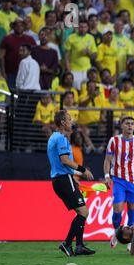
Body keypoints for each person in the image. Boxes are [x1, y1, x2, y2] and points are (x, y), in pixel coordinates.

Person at [48, 110, 95, 257]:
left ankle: (79, 245)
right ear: (62, 122)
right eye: (69, 119)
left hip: (60, 179)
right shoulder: (61, 138)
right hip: (63, 179)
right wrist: (83, 170)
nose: (72, 121)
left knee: (81, 212)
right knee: (84, 212)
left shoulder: (54, 137)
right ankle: (68, 243)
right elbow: (65, 161)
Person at [104, 115, 134, 249]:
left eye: (132, 124)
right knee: (117, 209)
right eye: (127, 123)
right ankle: (117, 233)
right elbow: (107, 160)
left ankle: (130, 241)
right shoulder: (114, 141)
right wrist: (107, 176)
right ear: (122, 126)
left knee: (132, 211)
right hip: (118, 180)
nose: (130, 126)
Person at [64, 19, 97, 90]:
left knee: (87, 90)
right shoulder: (71, 37)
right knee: (76, 90)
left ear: (87, 28)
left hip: (87, 70)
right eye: (81, 27)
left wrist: (89, 53)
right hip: (74, 70)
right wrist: (69, 70)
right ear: (78, 27)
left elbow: (94, 56)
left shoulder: (91, 38)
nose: (83, 29)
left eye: (85, 27)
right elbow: (66, 56)